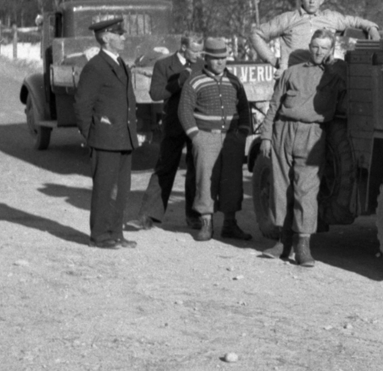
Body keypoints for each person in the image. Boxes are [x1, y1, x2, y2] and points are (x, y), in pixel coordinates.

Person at [259, 30, 346, 267]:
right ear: (309, 46)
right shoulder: (291, 73)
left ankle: (303, 247)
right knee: (281, 187)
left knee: (306, 190)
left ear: (331, 50)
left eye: (324, 48)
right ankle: (282, 242)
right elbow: (274, 106)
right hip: (283, 131)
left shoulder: (335, 76)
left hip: (313, 133)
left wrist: (334, 65)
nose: (319, 51)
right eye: (315, 46)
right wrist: (266, 136)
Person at [178, 37, 253, 243]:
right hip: (205, 138)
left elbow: (244, 108)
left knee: (232, 181)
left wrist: (243, 133)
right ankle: (206, 223)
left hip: (231, 139)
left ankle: (230, 224)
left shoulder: (235, 81)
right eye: (215, 59)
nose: (220, 62)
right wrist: (196, 136)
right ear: (206, 59)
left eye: (223, 58)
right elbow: (184, 110)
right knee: (205, 180)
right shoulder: (195, 81)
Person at [74, 17, 139, 249]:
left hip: (123, 138)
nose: (124, 37)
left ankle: (116, 233)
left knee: (121, 191)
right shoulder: (95, 67)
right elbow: (82, 106)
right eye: (119, 34)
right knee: (104, 190)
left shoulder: (120, 63)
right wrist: (91, 136)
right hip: (104, 140)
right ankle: (100, 236)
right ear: (105, 38)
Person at [130, 33, 203, 231]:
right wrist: (178, 83)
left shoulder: (201, 65)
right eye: (195, 51)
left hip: (196, 123)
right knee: (165, 167)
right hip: (174, 123)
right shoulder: (163, 65)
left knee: (195, 168)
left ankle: (194, 215)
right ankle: (148, 215)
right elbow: (155, 94)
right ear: (183, 48)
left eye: (200, 51)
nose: (198, 55)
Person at [249, 0, 381, 73]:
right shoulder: (288, 19)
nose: (312, 1)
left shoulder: (329, 17)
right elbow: (256, 34)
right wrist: (274, 61)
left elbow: (354, 21)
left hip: (324, 76)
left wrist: (372, 29)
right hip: (295, 75)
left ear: (321, 0)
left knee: (349, 43)